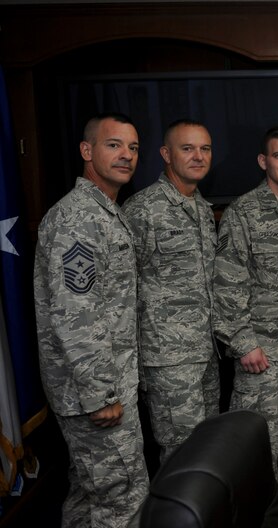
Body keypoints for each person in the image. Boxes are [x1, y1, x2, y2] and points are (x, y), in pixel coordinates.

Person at [34, 113, 149, 527]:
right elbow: (75, 315)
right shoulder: (78, 219)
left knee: (89, 494)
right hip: (95, 393)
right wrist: (101, 394)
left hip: (101, 386)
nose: (126, 155)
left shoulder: (103, 212)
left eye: (133, 147)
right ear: (87, 151)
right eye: (113, 144)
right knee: (123, 498)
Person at [213, 126, 278, 525]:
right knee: (258, 440)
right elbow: (227, 281)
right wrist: (243, 342)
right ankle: (253, 517)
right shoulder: (245, 210)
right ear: (264, 161)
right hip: (264, 350)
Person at [122, 119, 219, 463]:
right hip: (167, 358)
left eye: (205, 148)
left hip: (205, 353)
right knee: (182, 454)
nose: (198, 156)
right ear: (166, 154)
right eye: (187, 148)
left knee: (206, 448)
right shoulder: (141, 210)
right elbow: (122, 291)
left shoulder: (203, 209)